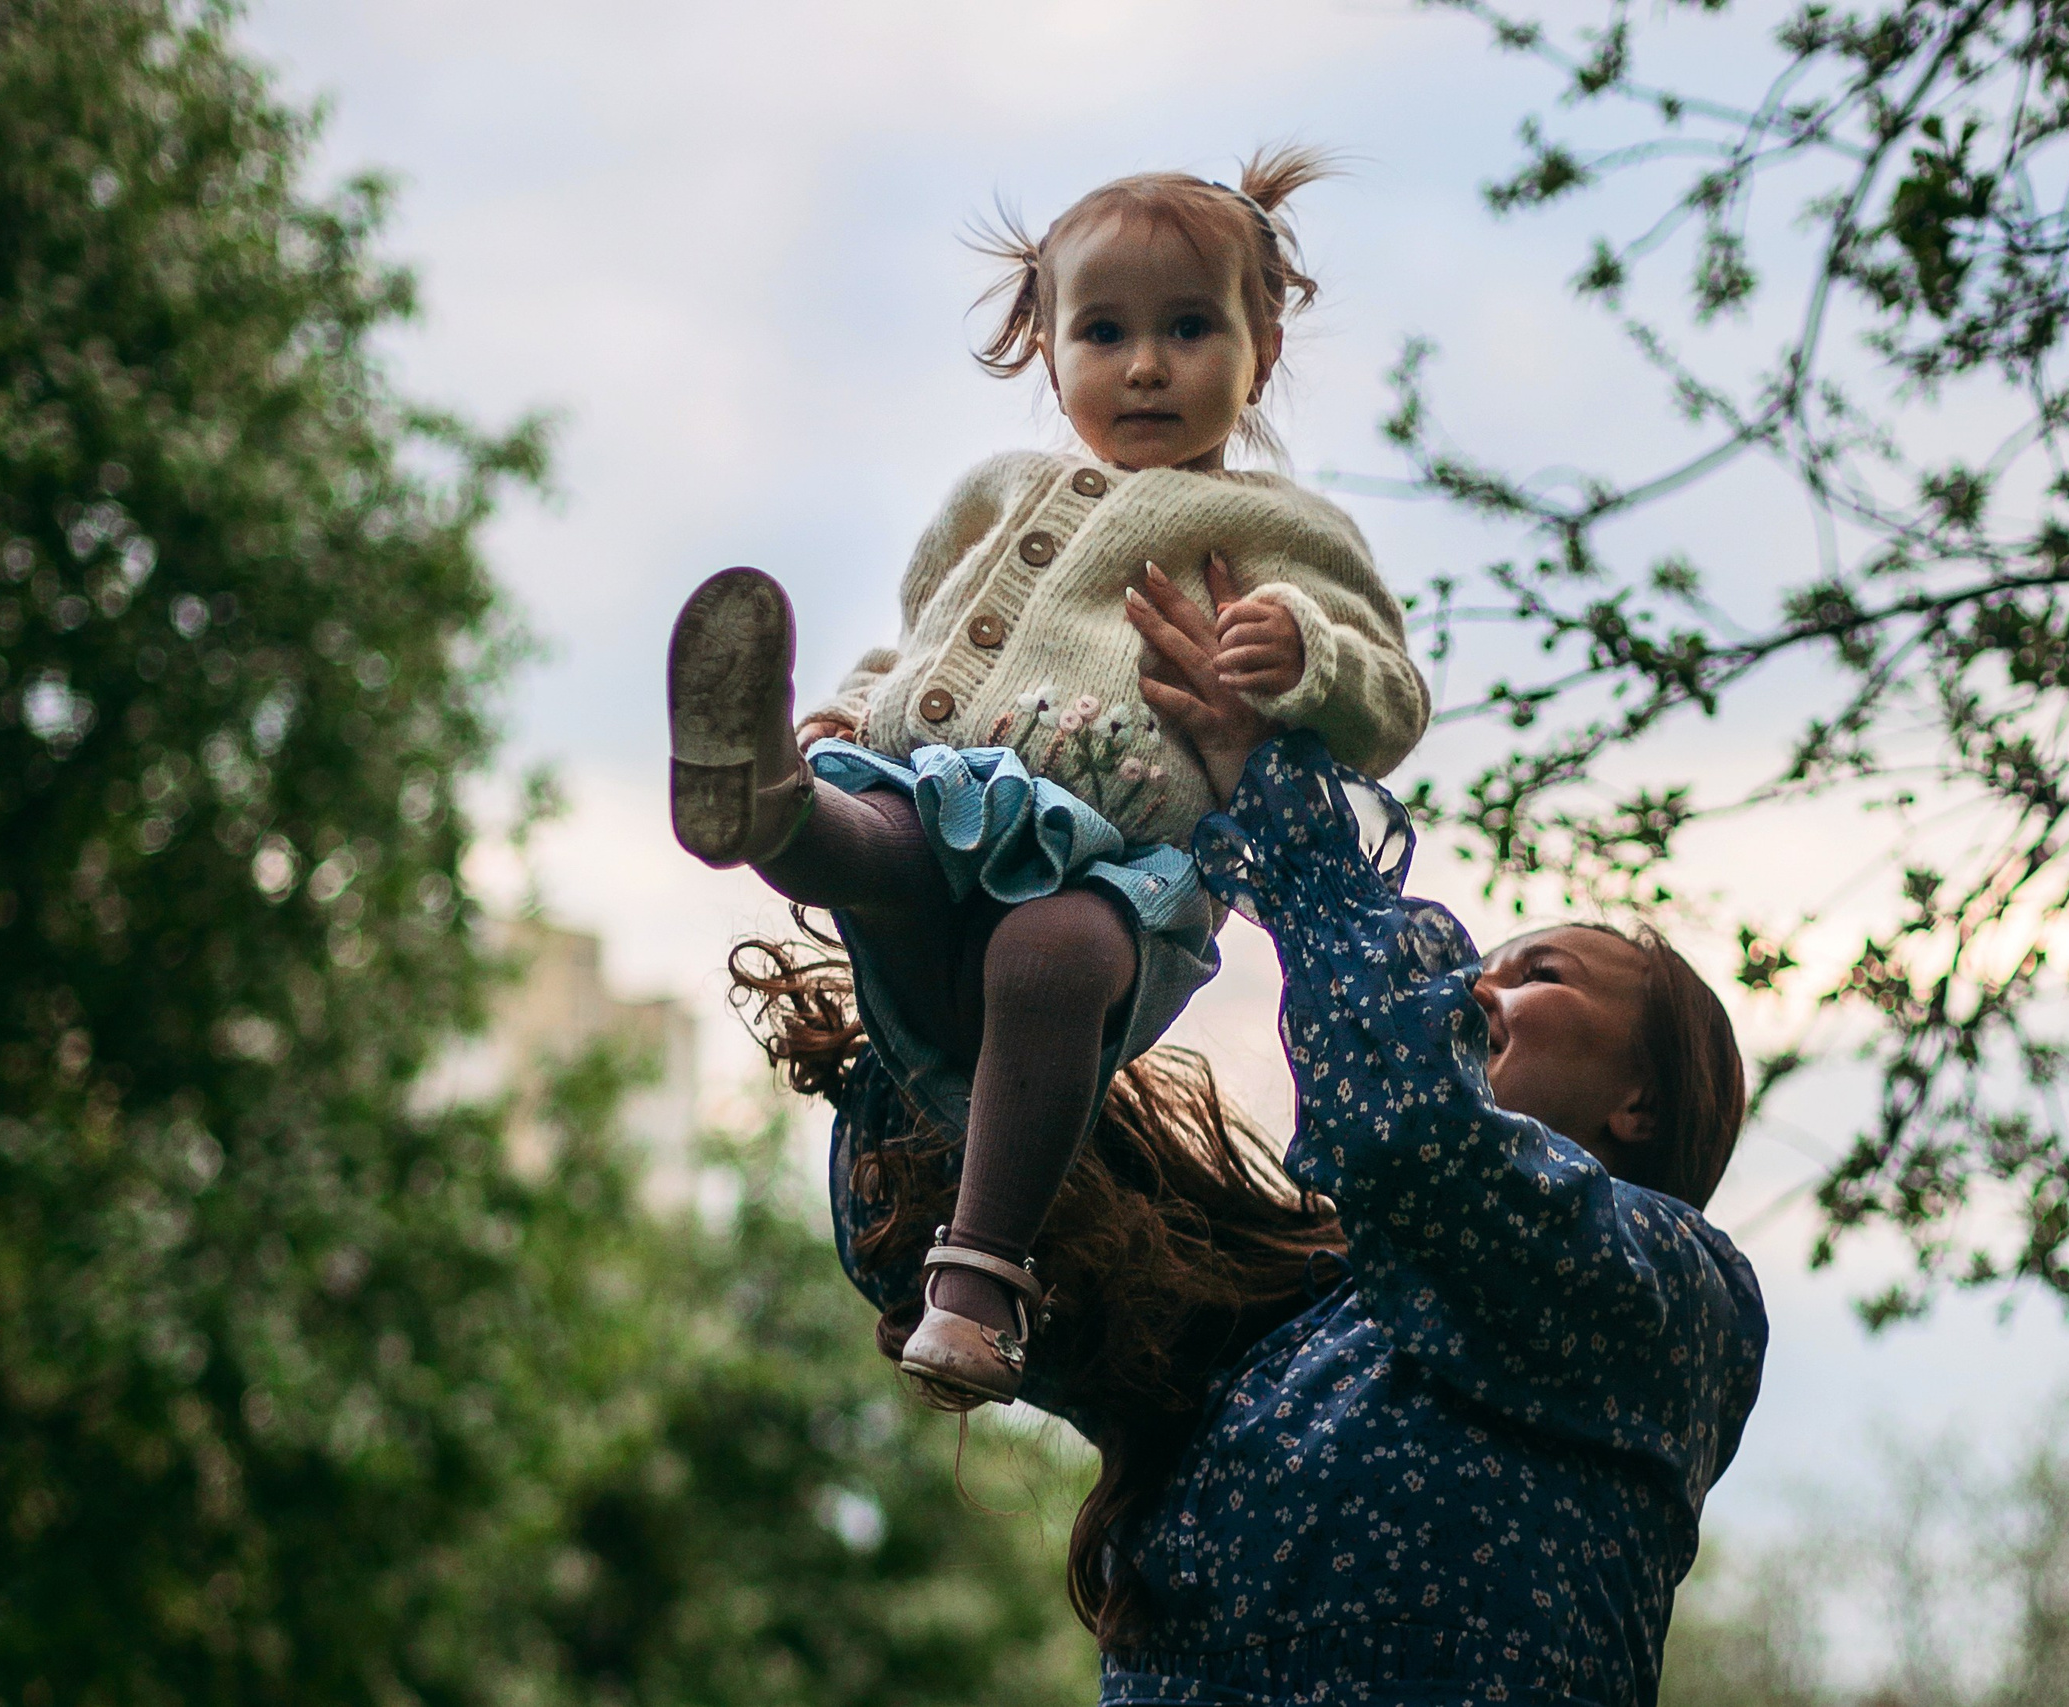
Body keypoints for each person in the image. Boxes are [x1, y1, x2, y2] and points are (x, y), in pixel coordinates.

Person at [733, 568, 1767, 1703]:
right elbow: (902, 1216)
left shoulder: (1681, 1304)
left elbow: (1410, 1130)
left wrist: (1272, 797)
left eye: (1541, 974)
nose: (1471, 985)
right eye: (1480, 962)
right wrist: (967, 880)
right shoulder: (1287, 1321)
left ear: (1642, 1103)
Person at [667, 146, 1430, 1409]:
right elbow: (921, 642)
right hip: (943, 798)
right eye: (1104, 332)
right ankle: (766, 803)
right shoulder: (995, 492)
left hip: (1114, 871)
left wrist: (1307, 658)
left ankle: (978, 1283)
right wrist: (851, 707)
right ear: (1046, 349)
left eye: (1189, 328)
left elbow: (1393, 700)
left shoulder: (1283, 532)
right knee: (880, 833)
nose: (1146, 366)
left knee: (1052, 956)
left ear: (1262, 351)